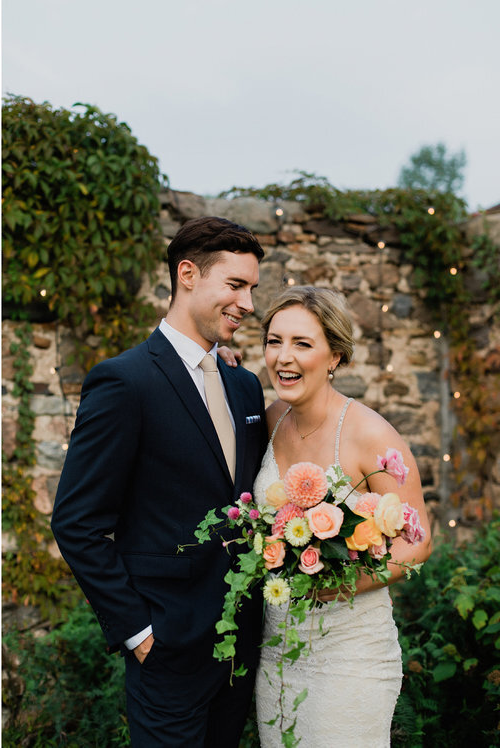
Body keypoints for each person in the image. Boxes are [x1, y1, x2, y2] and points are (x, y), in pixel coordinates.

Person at [50, 216, 269, 746]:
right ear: (188, 274)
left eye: (252, 289)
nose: (247, 303)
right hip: (168, 650)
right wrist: (139, 634)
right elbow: (76, 523)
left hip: (241, 650)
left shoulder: (243, 386)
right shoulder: (125, 381)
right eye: (235, 285)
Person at [242, 286, 432, 746]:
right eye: (274, 341)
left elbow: (419, 541)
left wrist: (339, 586)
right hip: (278, 652)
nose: (283, 357)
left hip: (351, 657)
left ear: (335, 357)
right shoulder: (269, 422)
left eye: (302, 344)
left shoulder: (369, 433)